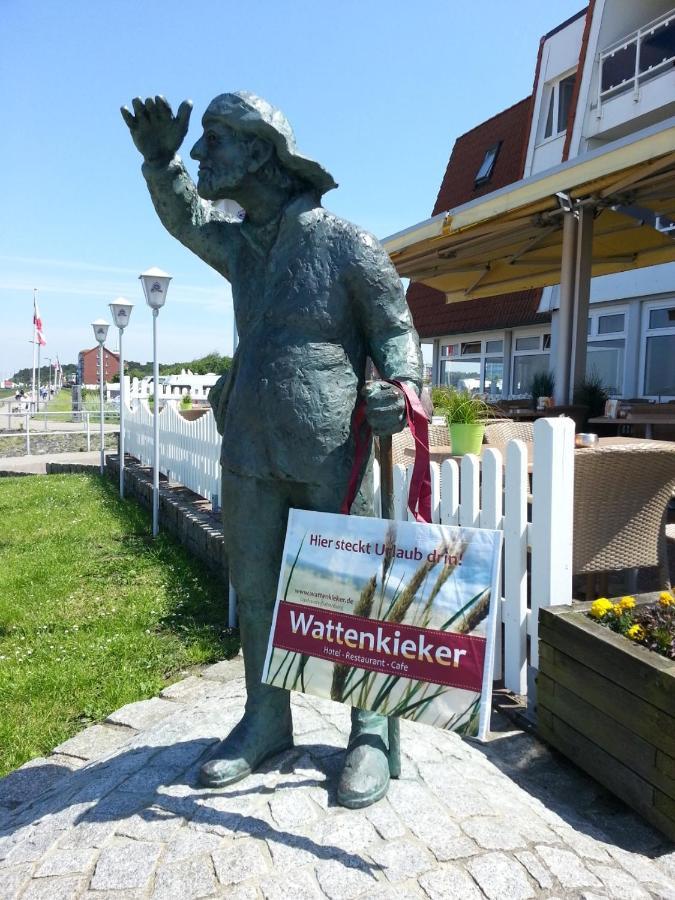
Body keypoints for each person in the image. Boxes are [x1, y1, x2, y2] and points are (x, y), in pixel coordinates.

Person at [121, 92, 422, 808]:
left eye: (213, 142)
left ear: (259, 153)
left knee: (355, 593)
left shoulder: (345, 241)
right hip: (251, 443)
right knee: (254, 590)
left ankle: (371, 732)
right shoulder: (240, 243)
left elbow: (395, 332)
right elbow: (186, 215)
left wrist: (396, 386)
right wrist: (159, 163)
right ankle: (265, 719)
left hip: (332, 451)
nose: (201, 155)